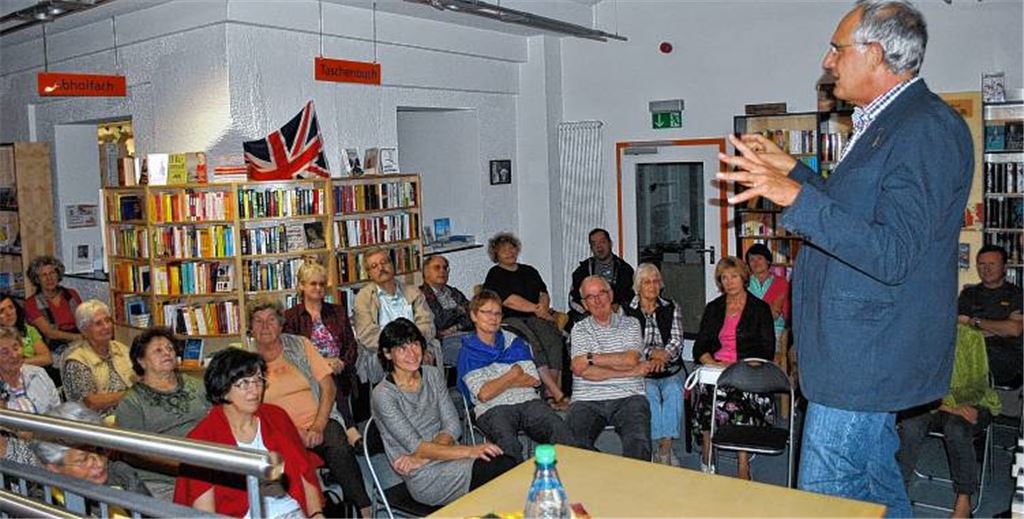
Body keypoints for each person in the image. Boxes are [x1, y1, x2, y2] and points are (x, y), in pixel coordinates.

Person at [717, 1, 973, 513]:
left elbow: (894, 251)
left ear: (875, 54)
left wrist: (796, 198)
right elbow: (855, 212)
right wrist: (797, 174)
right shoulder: (889, 123)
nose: (827, 60)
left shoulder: (924, 128)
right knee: (876, 487)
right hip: (856, 356)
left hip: (866, 359)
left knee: (825, 499)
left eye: (837, 49)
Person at [371, 318, 517, 506]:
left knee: (505, 466)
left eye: (415, 344)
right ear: (387, 354)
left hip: (437, 457)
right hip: (426, 477)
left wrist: (422, 458)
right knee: (501, 468)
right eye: (402, 348)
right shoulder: (383, 395)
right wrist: (470, 451)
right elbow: (416, 446)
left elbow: (453, 425)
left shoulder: (431, 374)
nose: (412, 354)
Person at [250, 298, 372, 517]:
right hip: (278, 431)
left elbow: (328, 387)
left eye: (270, 320)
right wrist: (294, 432)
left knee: (337, 443)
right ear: (251, 327)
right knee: (284, 458)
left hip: (318, 420)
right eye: (258, 321)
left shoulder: (300, 345)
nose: (265, 326)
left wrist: (317, 425)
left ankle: (363, 509)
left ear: (280, 324)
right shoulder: (246, 361)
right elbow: (251, 409)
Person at [174, 348, 323, 518]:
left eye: (258, 380)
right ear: (223, 388)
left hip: (292, 511)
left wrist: (316, 514)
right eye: (244, 383)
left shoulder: (276, 417)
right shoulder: (202, 438)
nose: (255, 391)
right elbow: (204, 510)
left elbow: (304, 474)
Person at [456, 290, 576, 463]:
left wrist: (496, 383)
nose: (493, 318)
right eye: (487, 312)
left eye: (497, 313)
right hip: (492, 408)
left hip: (528, 401)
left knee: (560, 429)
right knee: (507, 445)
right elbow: (483, 394)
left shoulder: (513, 341)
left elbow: (533, 379)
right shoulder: (468, 352)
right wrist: (514, 374)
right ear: (474, 316)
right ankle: (514, 487)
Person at [897, 325, 1001, 519]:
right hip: (932, 404)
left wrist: (951, 404)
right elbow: (913, 383)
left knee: (956, 429)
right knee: (911, 424)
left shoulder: (971, 337)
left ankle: (964, 499)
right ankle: (897, 491)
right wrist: (949, 406)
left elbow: (978, 387)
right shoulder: (920, 336)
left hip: (972, 403)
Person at [691, 257, 775, 478]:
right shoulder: (713, 308)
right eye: (724, 278)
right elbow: (699, 347)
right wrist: (714, 364)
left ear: (744, 277)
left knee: (737, 401)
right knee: (706, 394)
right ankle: (707, 454)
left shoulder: (760, 308)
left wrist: (739, 367)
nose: (729, 282)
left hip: (748, 370)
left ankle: (743, 464)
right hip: (717, 370)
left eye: (733, 276)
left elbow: (766, 351)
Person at [114, 327, 210, 500]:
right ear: (141, 361)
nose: (167, 353)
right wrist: (185, 466)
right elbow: (134, 454)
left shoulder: (198, 386)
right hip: (164, 482)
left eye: (170, 348)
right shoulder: (132, 402)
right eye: (158, 350)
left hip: (209, 469)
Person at [567, 276, 652, 461]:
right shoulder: (579, 329)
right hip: (586, 399)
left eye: (602, 293)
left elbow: (630, 359)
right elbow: (584, 372)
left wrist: (590, 357)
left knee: (638, 443)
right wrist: (630, 371)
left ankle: (635, 487)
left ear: (611, 295)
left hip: (628, 396)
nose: (597, 300)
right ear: (584, 304)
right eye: (590, 297)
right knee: (573, 444)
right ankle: (607, 473)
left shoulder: (631, 324)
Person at [483, 232, 568, 410]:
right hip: (510, 319)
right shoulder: (495, 274)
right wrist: (537, 309)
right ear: (495, 254)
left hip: (535, 316)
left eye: (512, 247)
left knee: (553, 338)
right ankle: (554, 392)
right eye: (503, 249)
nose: (509, 252)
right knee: (532, 342)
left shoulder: (529, 270)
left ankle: (551, 393)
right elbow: (508, 300)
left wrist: (543, 308)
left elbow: (543, 293)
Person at [284, 262, 362, 449]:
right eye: (313, 284)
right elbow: (292, 354)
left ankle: (343, 435)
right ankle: (350, 430)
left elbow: (351, 344)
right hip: (307, 373)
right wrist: (323, 363)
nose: (319, 288)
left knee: (329, 377)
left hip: (340, 369)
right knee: (325, 378)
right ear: (302, 285)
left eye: (322, 284)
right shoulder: (290, 317)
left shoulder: (338, 311)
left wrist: (342, 362)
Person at [31, 402, 150, 515]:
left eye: (100, 450)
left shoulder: (122, 475)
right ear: (54, 467)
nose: (99, 463)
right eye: (83, 459)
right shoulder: (39, 507)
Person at [623, 263, 685, 466]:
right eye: (647, 282)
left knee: (674, 390)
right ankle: (660, 447)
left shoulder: (672, 306)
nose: (653, 286)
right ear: (638, 286)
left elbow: (677, 340)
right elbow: (630, 344)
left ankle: (664, 449)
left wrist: (663, 356)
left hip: (669, 366)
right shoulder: (626, 311)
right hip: (641, 368)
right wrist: (652, 355)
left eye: (656, 281)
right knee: (649, 395)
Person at [352, 247, 437, 385]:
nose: (381, 268)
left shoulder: (413, 292)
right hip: (384, 352)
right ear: (369, 274)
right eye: (374, 266)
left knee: (427, 357)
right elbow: (367, 334)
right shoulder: (363, 298)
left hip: (415, 347)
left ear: (392, 265)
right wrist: (397, 351)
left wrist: (414, 347)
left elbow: (427, 324)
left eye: (384, 262)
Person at [957, 244, 1023, 387]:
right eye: (981, 264)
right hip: (971, 355)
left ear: (1004, 267)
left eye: (992, 264)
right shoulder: (968, 295)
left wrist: (976, 322)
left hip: (1006, 359)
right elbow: (961, 330)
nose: (986, 269)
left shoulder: (1017, 295)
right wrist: (999, 329)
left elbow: (1014, 329)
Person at [0, 326, 60, 467]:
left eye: (16, 347)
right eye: (4, 352)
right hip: (17, 461)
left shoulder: (38, 374)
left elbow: (59, 411)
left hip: (53, 447)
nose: (14, 355)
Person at [63, 300, 134, 416]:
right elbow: (91, 403)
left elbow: (140, 377)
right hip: (99, 422)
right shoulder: (76, 361)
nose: (106, 327)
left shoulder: (121, 348)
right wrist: (133, 395)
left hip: (131, 411)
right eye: (98, 323)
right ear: (84, 331)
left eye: (107, 320)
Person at [568, 228, 635, 323]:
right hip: (588, 319)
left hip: (619, 319)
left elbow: (632, 299)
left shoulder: (625, 270)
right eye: (594, 244)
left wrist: (619, 308)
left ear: (610, 243)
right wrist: (589, 312)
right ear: (591, 248)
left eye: (602, 242)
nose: (599, 247)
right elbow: (573, 300)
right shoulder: (582, 271)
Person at [419, 255, 474, 367]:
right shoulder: (421, 295)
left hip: (466, 334)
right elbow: (439, 322)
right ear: (426, 272)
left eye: (445, 268)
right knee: (471, 354)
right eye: (437, 267)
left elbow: (473, 316)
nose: (442, 271)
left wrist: (455, 327)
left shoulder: (453, 292)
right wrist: (459, 310)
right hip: (442, 342)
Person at [25, 255, 83, 356]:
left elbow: (84, 320)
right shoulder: (31, 303)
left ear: (58, 274)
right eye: (43, 275)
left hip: (79, 339)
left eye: (52, 273)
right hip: (53, 346)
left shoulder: (71, 294)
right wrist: (80, 338)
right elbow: (50, 333)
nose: (49, 278)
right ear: (37, 279)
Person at [744, 244, 790, 341]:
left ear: (768, 261)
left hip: (775, 331)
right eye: (752, 259)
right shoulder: (744, 283)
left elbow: (775, 314)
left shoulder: (781, 283)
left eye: (759, 258)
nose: (756, 262)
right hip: (749, 331)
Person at [0, 291, 51, 368]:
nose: (9, 313)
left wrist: (19, 362)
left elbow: (47, 358)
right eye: (1, 311)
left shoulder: (29, 330)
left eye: (11, 307)